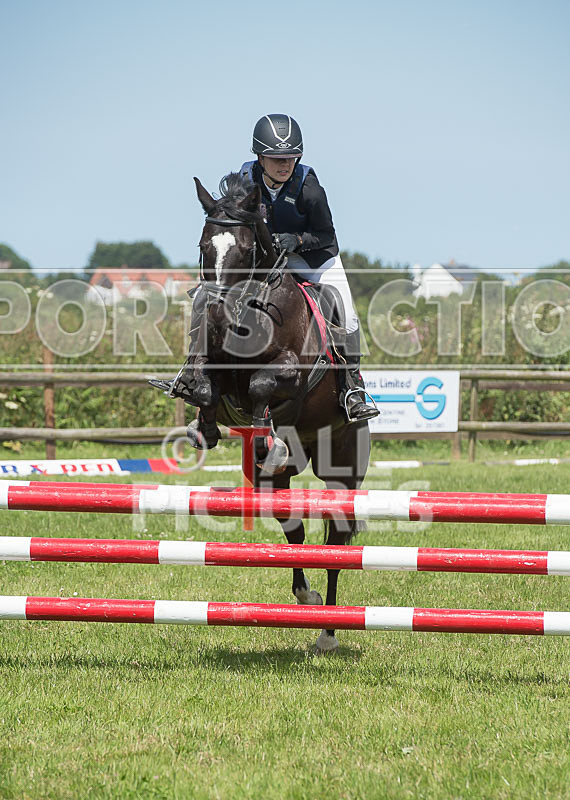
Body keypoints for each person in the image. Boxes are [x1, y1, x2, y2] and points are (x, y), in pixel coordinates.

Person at [239, 113, 378, 422]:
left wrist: (298, 239)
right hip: (266, 261)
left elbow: (327, 236)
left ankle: (352, 387)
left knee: (348, 314)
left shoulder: (309, 187)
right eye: (277, 158)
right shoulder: (245, 181)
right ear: (260, 157)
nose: (284, 164)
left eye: (290, 157)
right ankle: (197, 374)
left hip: (314, 258)